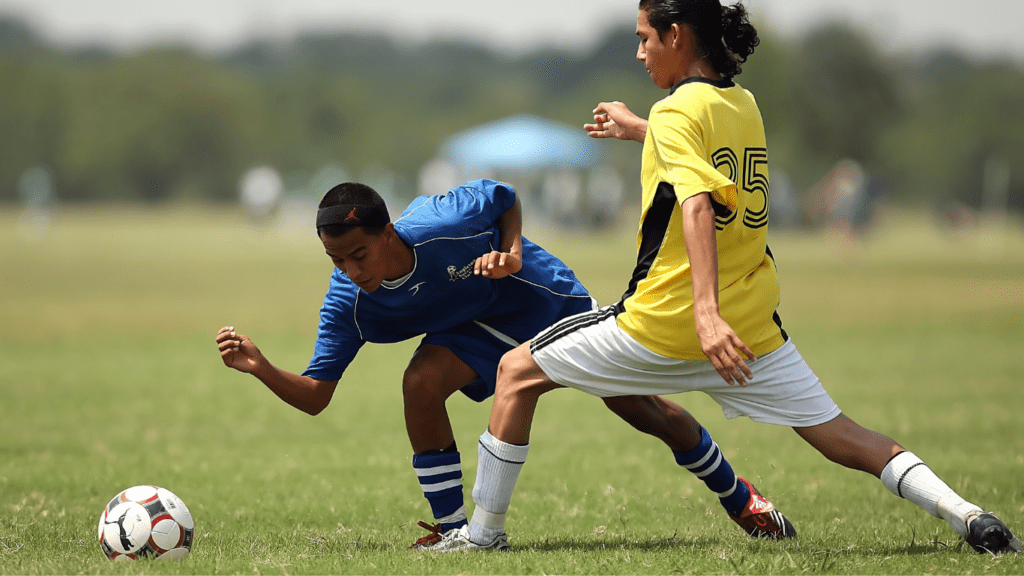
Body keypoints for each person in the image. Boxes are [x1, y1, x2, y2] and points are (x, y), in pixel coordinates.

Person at [436, 0, 1023, 555]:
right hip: (750, 333)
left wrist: (704, 312)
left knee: (516, 374)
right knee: (844, 435)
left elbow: (696, 202)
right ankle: (966, 513)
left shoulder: (674, 112)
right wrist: (639, 129)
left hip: (666, 322)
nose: (639, 53)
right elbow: (699, 151)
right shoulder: (742, 104)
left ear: (676, 36)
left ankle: (482, 536)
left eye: (644, 39)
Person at [214, 178, 792, 549]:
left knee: (637, 407)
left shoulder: (444, 221)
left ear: (388, 231)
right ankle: (454, 530)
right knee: (419, 383)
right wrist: (262, 367)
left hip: (539, 297)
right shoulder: (351, 303)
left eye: (359, 254)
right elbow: (317, 393)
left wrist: (512, 253)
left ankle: (740, 498)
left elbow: (506, 197)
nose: (351, 270)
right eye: (336, 260)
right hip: (470, 332)